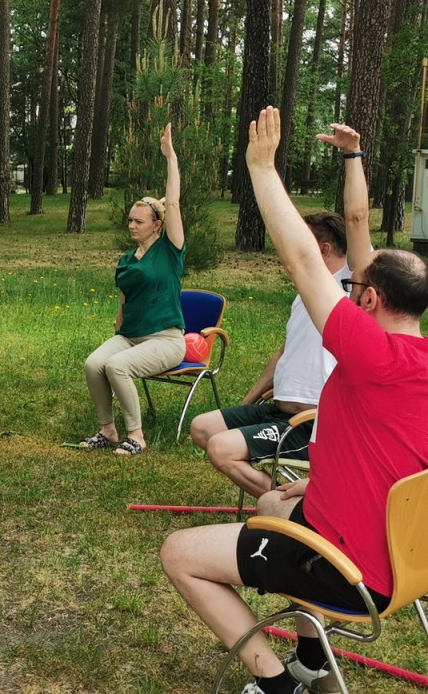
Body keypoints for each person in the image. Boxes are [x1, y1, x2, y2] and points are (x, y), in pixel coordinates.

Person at [161, 107, 428, 694]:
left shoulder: (370, 354)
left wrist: (261, 169)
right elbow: (400, 462)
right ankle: (311, 660)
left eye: (356, 287)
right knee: (280, 508)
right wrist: (321, 482)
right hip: (402, 562)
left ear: (371, 300)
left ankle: (278, 685)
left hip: (348, 572)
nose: (348, 289)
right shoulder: (417, 364)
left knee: (180, 553)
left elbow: (304, 259)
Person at [189, 203, 367, 499]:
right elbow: (286, 350)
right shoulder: (304, 297)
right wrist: (252, 395)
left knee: (222, 449)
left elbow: (357, 218)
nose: (291, 252)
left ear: (322, 250)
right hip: (278, 410)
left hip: (312, 422)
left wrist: (354, 157)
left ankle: (296, 508)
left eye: (301, 245)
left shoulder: (345, 288)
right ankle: (291, 496)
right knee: (202, 428)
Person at [80, 122, 185, 456]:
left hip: (166, 340)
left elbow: (176, 203)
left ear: (157, 224)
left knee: (117, 366)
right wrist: (119, 320)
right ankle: (107, 429)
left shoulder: (170, 250)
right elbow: (125, 294)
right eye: (129, 220)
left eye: (138, 221)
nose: (131, 226)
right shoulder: (127, 259)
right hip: (130, 335)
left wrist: (170, 158)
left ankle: (136, 436)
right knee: (94, 364)